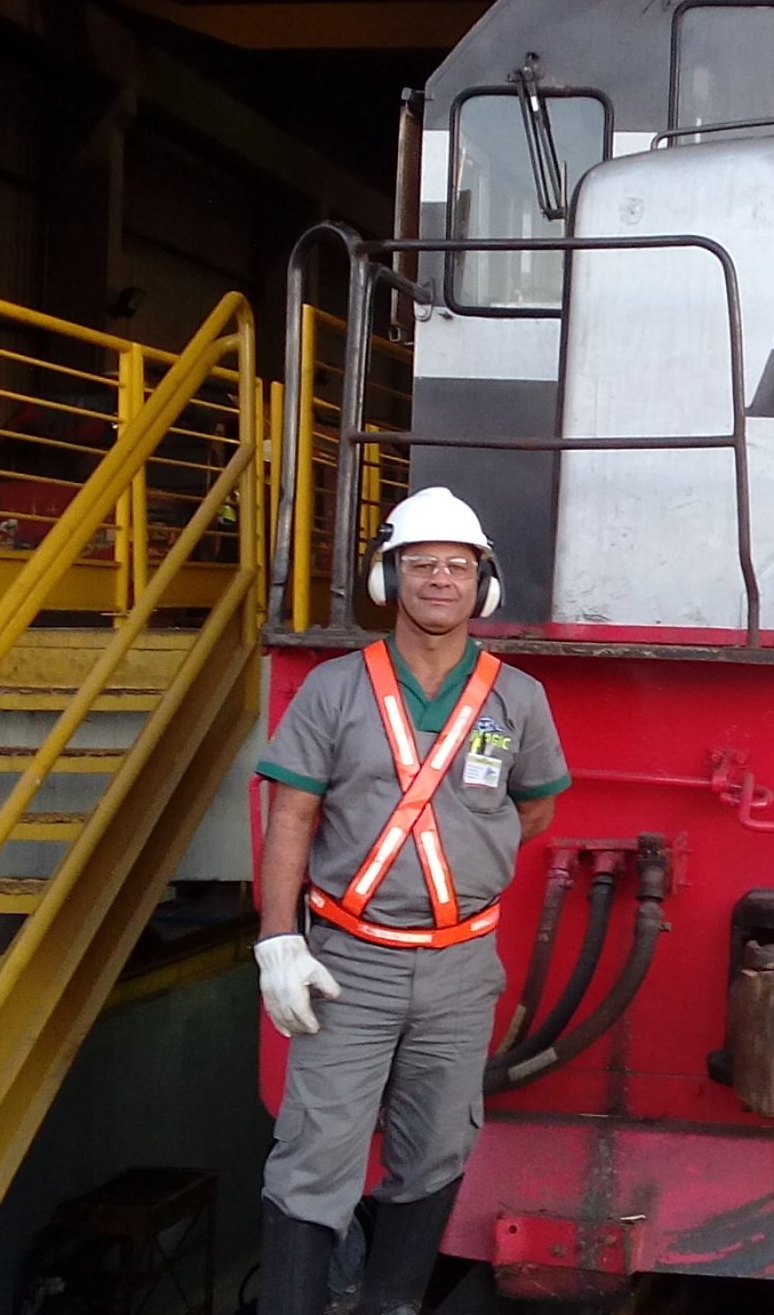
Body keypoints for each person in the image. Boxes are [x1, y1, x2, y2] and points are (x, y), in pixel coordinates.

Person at [251, 487, 572, 1315]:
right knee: (315, 1157)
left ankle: (393, 1305)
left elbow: (534, 811)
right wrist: (279, 941)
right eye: (421, 564)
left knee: (435, 1150)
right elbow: (291, 816)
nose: (440, 580)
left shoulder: (518, 699)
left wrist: (464, 864)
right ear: (389, 580)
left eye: (458, 566)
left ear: (483, 586)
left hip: (461, 968)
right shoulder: (333, 689)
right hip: (348, 964)